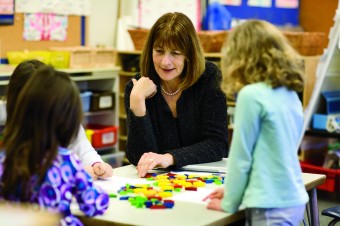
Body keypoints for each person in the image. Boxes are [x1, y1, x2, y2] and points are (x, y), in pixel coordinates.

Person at [203, 20, 309, 225]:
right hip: (292, 200)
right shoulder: (288, 93)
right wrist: (235, 190)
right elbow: (271, 156)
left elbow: (241, 157)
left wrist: (230, 202)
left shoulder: (251, 95)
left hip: (269, 206)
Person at [0, 65, 109, 225]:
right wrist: (82, 177)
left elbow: (83, 147)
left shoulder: (6, 160)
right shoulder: (67, 161)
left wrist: (95, 163)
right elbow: (94, 204)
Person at [124, 12, 229, 177]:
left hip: (206, 177)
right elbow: (139, 157)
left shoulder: (209, 76)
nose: (165, 61)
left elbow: (217, 144)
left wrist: (170, 158)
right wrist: (137, 102)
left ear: (189, 54)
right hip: (159, 182)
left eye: (175, 53)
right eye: (159, 51)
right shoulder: (137, 87)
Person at [0, 59, 112, 179]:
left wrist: (96, 164)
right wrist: (77, 175)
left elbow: (82, 147)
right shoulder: (7, 116)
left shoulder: (61, 115)